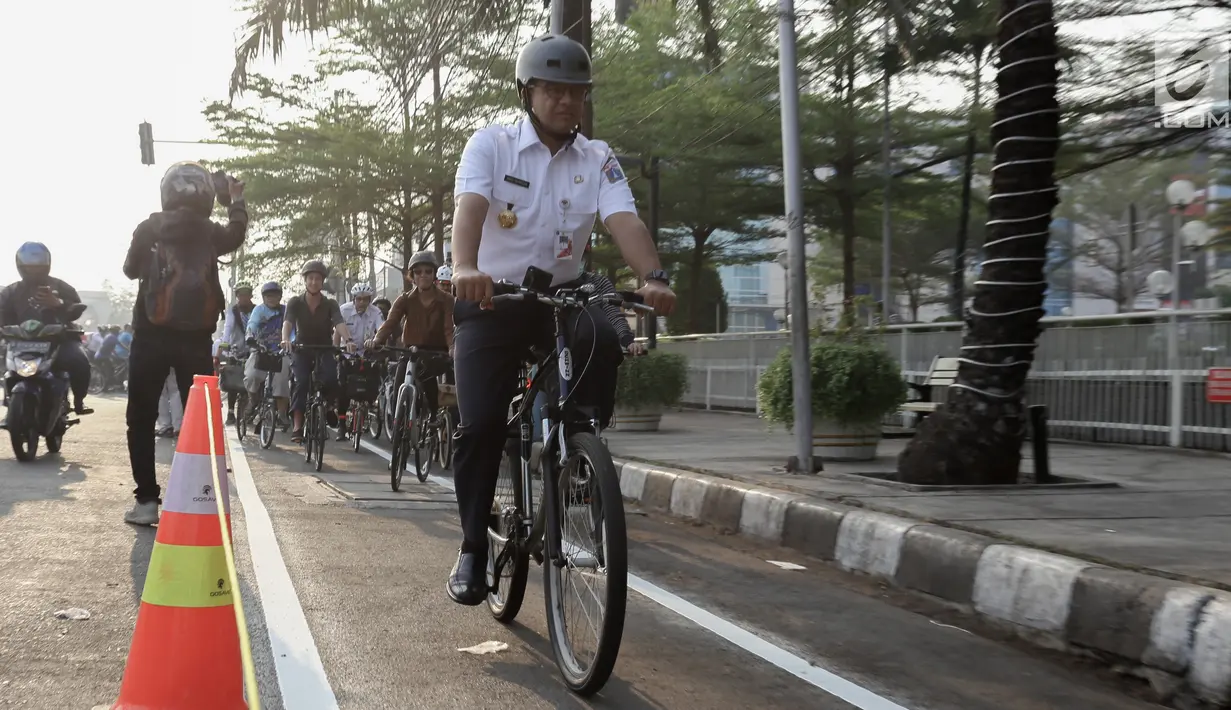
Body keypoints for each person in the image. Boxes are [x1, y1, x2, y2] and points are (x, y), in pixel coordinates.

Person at [443, 34, 676, 605]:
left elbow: (624, 221)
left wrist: (653, 276)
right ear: (528, 93)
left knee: (602, 332)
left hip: (562, 302)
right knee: (480, 427)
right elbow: (469, 211)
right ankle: (473, 547)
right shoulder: (491, 146)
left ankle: (576, 449)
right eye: (553, 90)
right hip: (494, 300)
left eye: (576, 92)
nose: (567, 101)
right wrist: (465, 267)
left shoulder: (597, 158)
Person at [122, 161, 247, 526]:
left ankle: (147, 501)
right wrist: (236, 200)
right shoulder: (211, 231)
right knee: (200, 422)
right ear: (207, 196)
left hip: (150, 334)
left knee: (141, 419)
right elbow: (236, 234)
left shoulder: (150, 226)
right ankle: (195, 501)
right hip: (195, 337)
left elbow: (130, 269)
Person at [0, 242, 93, 414]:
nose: (34, 271)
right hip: (20, 343)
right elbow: (2, 313)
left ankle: (79, 401)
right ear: (20, 267)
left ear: (47, 266)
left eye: (38, 268)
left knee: (80, 362)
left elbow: (76, 307)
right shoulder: (10, 291)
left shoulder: (60, 286)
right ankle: (9, 401)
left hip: (58, 341)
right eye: (29, 267)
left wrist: (58, 304)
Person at [370, 251, 454, 421]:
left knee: (428, 379)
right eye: (418, 272)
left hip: (436, 352)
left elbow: (448, 328)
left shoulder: (446, 299)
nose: (423, 275)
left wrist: (452, 347)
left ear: (434, 274)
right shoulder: (404, 299)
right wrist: (377, 340)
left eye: (428, 271)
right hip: (411, 351)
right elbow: (390, 323)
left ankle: (432, 417)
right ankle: (397, 423)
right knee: (398, 382)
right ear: (412, 276)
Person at [281, 260, 357, 443]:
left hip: (325, 349)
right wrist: (285, 339)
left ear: (322, 282)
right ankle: (298, 426)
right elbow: (288, 322)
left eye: (318, 279)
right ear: (305, 280)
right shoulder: (295, 302)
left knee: (332, 378)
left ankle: (329, 406)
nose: (314, 282)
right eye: (310, 278)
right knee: (301, 382)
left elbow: (339, 322)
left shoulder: (330, 304)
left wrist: (348, 340)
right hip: (301, 349)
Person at [333, 283, 384, 441]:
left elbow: (381, 328)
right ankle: (341, 425)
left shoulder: (376, 312)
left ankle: (368, 406)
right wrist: (336, 351)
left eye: (365, 299)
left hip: (366, 353)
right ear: (353, 299)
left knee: (373, 382)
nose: (362, 303)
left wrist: (375, 341)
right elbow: (337, 332)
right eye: (359, 299)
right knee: (342, 389)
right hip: (347, 354)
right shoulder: (344, 310)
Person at [244, 281, 292, 425]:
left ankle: (282, 414)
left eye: (275, 295)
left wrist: (291, 342)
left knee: (283, 382)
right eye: (268, 296)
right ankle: (252, 402)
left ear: (280, 297)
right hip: (261, 350)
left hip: (281, 352)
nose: (271, 298)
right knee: (252, 376)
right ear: (264, 297)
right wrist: (250, 337)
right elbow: (252, 325)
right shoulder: (259, 310)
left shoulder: (286, 311)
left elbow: (293, 330)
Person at [222, 284, 256, 423]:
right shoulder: (233, 310)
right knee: (233, 381)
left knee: (249, 380)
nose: (243, 297)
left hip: (252, 349)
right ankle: (230, 413)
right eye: (240, 295)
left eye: (246, 294)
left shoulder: (256, 310)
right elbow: (228, 327)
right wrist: (225, 344)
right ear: (237, 296)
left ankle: (248, 410)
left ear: (250, 295)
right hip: (235, 348)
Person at [156, 369, 182, 438]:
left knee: (160, 392)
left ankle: (164, 425)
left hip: (155, 361)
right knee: (175, 391)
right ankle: (178, 427)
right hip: (176, 361)